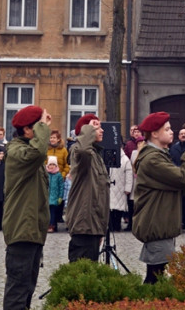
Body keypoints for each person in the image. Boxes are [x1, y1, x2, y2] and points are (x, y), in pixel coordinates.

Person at [133, 111, 185, 284]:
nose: (172, 132)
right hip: (156, 225)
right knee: (155, 278)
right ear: (154, 133)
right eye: (167, 129)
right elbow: (183, 179)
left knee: (157, 275)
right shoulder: (153, 160)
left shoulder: (159, 155)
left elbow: (181, 185)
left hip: (160, 224)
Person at [2, 105, 51, 310]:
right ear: (28, 130)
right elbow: (37, 152)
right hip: (22, 229)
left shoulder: (27, 150)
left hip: (31, 230)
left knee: (27, 288)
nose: (46, 127)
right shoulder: (17, 151)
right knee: (18, 289)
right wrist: (43, 128)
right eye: (40, 125)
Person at [65, 113, 110, 263]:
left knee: (90, 275)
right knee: (80, 275)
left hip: (94, 224)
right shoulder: (79, 151)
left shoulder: (96, 154)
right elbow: (84, 150)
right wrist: (88, 130)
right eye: (96, 127)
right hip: (84, 224)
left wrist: (101, 229)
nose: (101, 130)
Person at [109, 148, 133, 232]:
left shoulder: (125, 159)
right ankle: (111, 226)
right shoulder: (108, 157)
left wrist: (128, 188)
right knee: (110, 208)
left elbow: (129, 175)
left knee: (119, 209)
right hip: (111, 187)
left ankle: (117, 226)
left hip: (121, 187)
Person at [46, 155, 64, 233]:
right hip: (46, 197)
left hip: (54, 197)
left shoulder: (58, 175)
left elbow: (61, 186)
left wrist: (60, 196)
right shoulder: (46, 174)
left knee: (53, 213)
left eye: (53, 165)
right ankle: (47, 225)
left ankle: (52, 225)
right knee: (46, 213)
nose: (51, 166)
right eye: (50, 164)